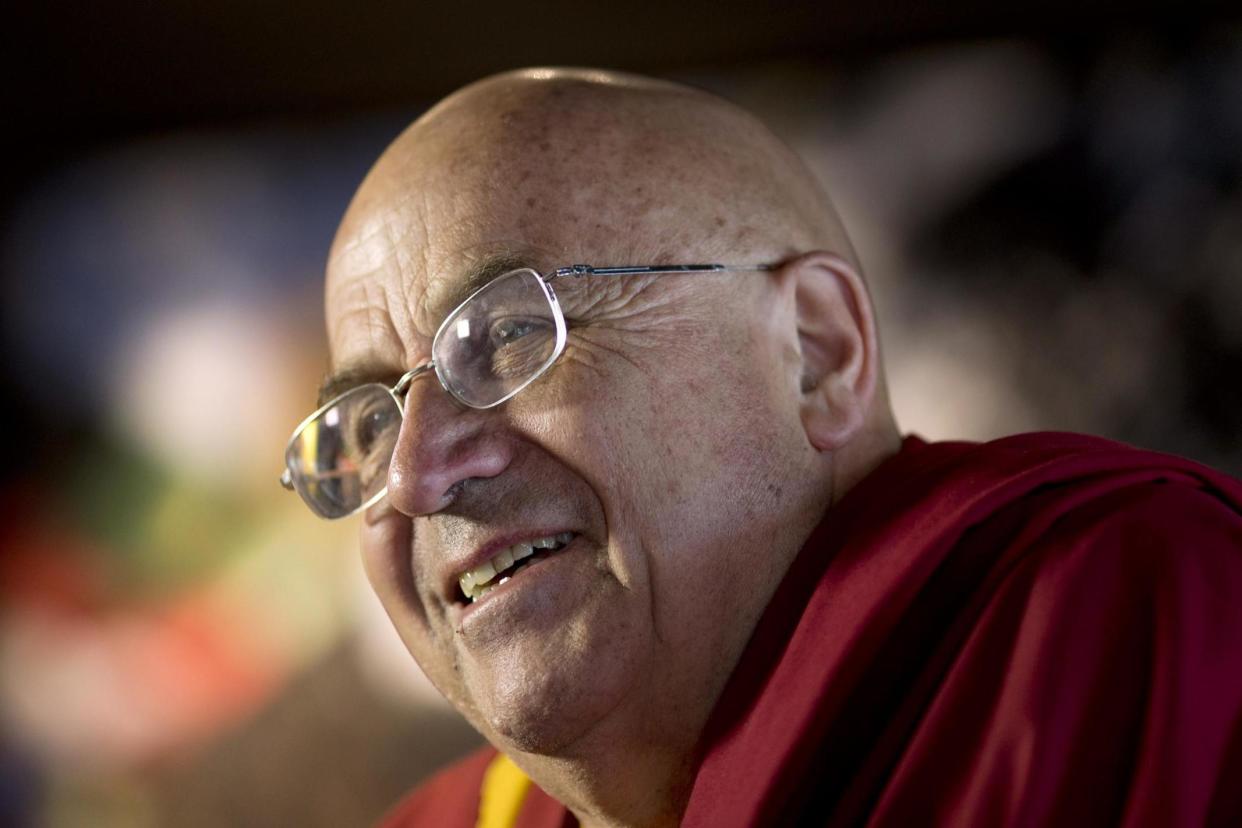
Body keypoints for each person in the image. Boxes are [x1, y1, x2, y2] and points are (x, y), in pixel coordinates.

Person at [279, 68, 1242, 826]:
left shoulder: (1102, 618)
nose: (411, 475)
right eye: (366, 422)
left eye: (510, 336)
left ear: (816, 351)